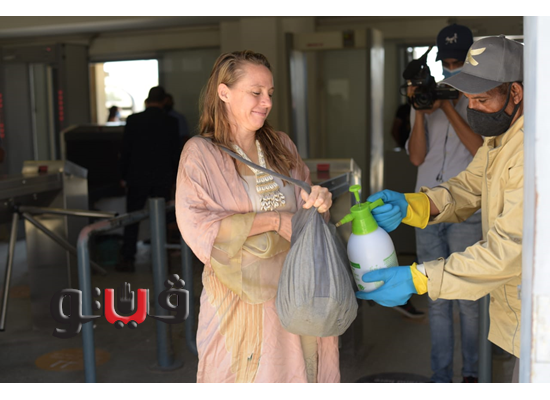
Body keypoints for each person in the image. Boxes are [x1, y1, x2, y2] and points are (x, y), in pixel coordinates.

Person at [357, 35, 524, 383]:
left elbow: (508, 251)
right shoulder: (502, 135)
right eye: (468, 98)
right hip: (521, 316)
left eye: (481, 99)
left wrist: (419, 278)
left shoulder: (533, 149)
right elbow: (468, 187)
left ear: (515, 93)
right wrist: (414, 205)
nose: (472, 108)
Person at [175, 50, 339, 383]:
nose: (266, 102)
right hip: (236, 302)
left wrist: (319, 201)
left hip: (296, 291)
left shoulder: (281, 145)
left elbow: (307, 211)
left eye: (270, 93)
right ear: (224, 93)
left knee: (300, 374)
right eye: (256, 92)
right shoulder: (201, 153)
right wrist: (275, 221)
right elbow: (198, 227)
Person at [404, 24, 483, 383]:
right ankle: (441, 378)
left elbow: (479, 150)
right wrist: (422, 112)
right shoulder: (425, 98)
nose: (451, 69)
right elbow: (416, 157)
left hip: (465, 211)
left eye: (457, 62)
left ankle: (471, 375)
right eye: (446, 63)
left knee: (467, 299)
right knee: (435, 296)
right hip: (427, 207)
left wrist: (450, 106)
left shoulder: (480, 99)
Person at [118, 86, 180, 272]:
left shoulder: (133, 120)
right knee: (161, 218)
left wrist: (123, 176)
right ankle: (161, 258)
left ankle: (128, 257)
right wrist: (176, 177)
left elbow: (125, 151)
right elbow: (175, 153)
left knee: (132, 217)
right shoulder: (171, 122)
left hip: (137, 176)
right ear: (164, 101)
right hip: (162, 177)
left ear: (147, 100)